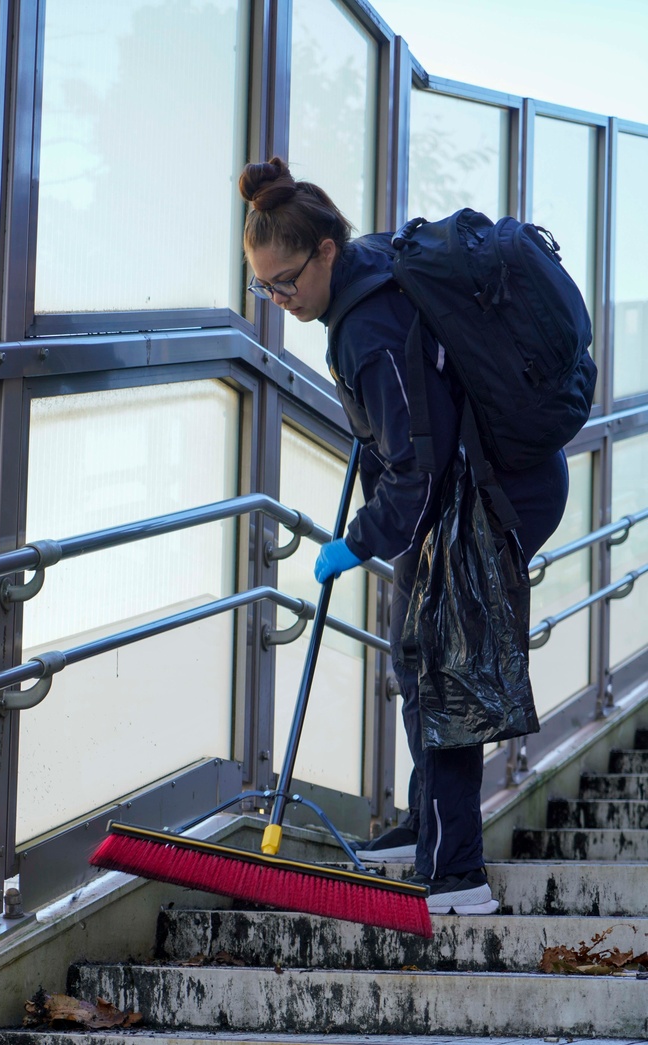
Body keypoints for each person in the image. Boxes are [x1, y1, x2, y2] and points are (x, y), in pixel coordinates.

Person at [239, 157, 569, 916]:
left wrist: (356, 540)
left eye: (285, 281)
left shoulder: (364, 329)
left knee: (442, 671)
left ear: (325, 251)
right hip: (481, 484)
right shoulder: (369, 272)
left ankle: (456, 874)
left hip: (495, 493)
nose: (279, 301)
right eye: (263, 287)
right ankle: (427, 824)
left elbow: (417, 472)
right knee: (415, 651)